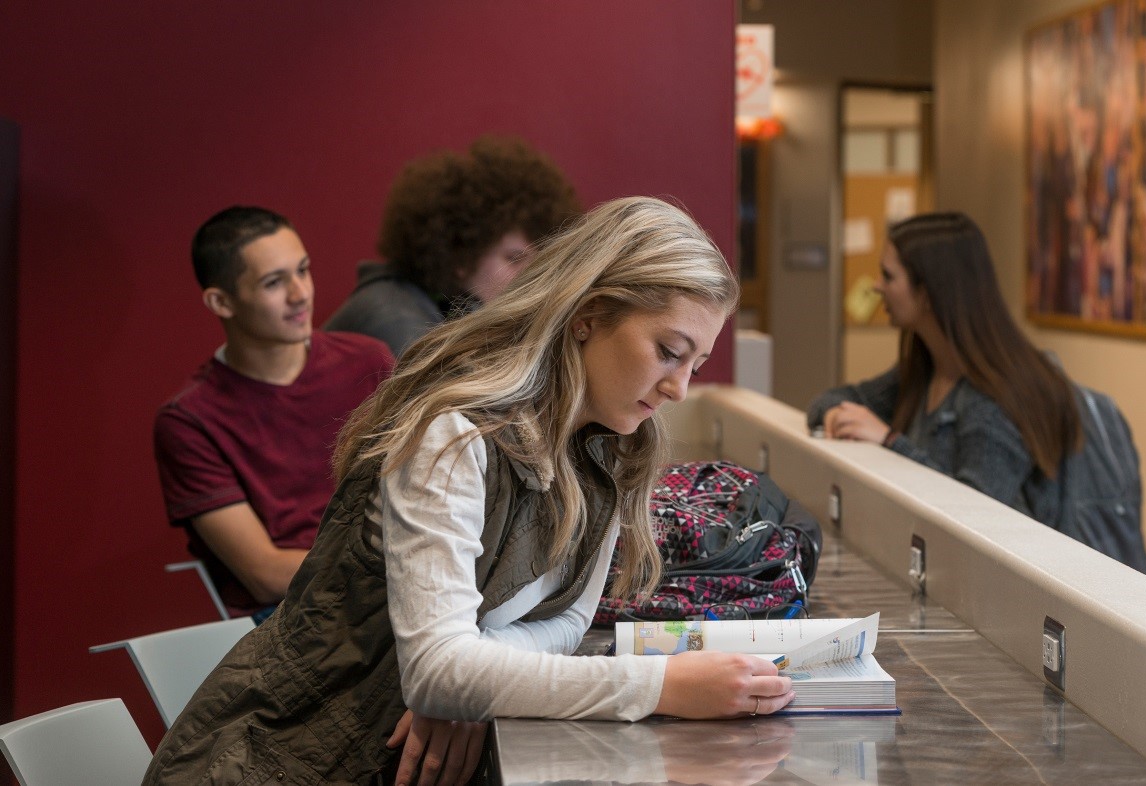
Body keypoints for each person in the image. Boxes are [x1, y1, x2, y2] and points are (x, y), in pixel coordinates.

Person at [143, 197, 796, 786]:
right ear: (587, 318)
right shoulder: (452, 435)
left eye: (696, 365)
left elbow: (562, 625)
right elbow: (435, 671)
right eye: (667, 351)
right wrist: (659, 686)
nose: (679, 387)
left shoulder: (609, 448)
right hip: (271, 761)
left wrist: (479, 685)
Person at [154, 206, 394, 619]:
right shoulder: (189, 421)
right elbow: (262, 573)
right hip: (289, 612)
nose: (300, 293)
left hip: (396, 581)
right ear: (221, 302)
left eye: (302, 270)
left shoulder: (366, 361)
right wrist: (406, 561)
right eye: (273, 282)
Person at [808, 212, 1086, 526]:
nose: (876, 286)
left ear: (927, 291)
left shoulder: (995, 397)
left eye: (888, 276)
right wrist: (836, 416)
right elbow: (828, 400)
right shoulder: (925, 371)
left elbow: (976, 515)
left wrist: (889, 441)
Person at [324, 136, 581, 357]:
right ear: (461, 254)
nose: (529, 274)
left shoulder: (432, 306)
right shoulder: (395, 319)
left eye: (536, 261)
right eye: (513, 259)